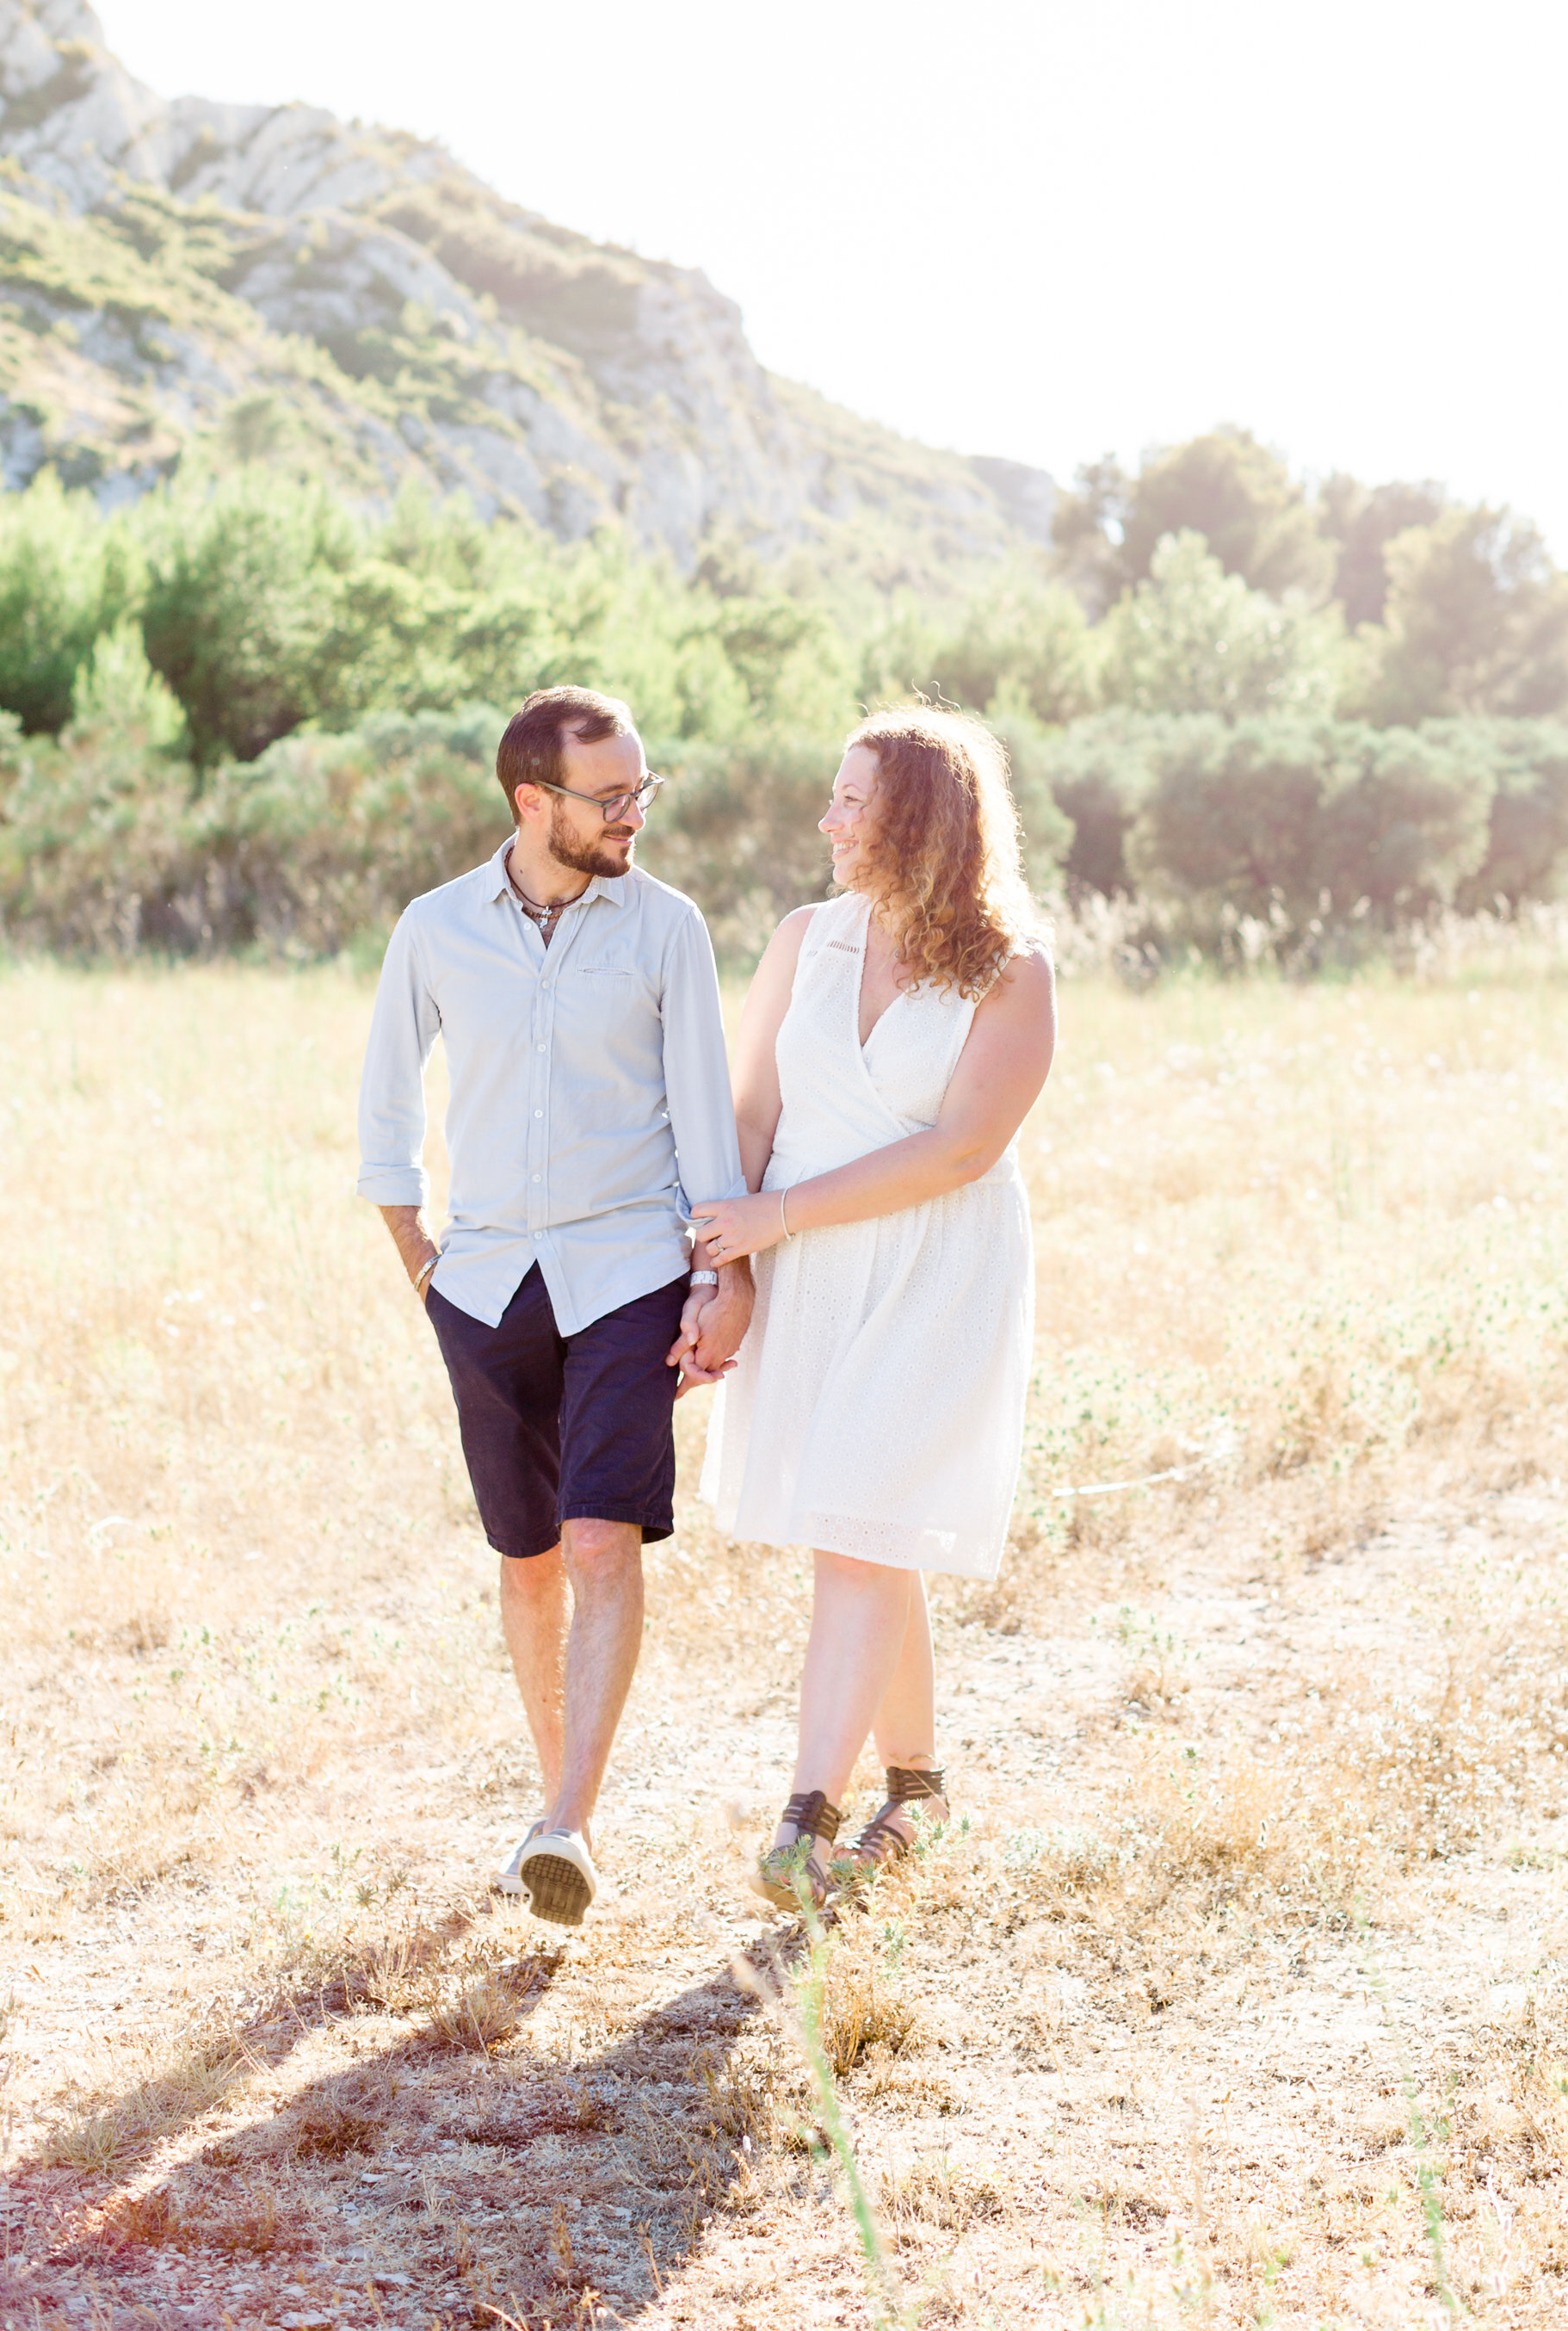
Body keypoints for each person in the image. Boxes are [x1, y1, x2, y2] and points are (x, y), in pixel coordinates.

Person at [355, 685, 752, 1927]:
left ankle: (567, 1821)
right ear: (535, 801)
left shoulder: (665, 927)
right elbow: (383, 1100)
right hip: (481, 1285)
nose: (636, 812)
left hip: (628, 1273)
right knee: (526, 1564)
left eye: (644, 788)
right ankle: (554, 1809)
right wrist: (418, 1254)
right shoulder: (434, 927)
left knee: (597, 1542)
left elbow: (704, 1107)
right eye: (611, 793)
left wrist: (719, 1272)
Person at [686, 708, 1055, 1912]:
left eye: (851, 800)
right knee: (865, 1524)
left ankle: (806, 1817)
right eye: (833, 795)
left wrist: (780, 1221)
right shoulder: (805, 938)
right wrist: (726, 1269)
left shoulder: (1010, 969)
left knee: (854, 1533)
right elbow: (747, 1116)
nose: (827, 820)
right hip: (803, 1266)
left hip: (934, 1272)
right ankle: (919, 1789)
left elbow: (960, 1152)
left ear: (918, 821)